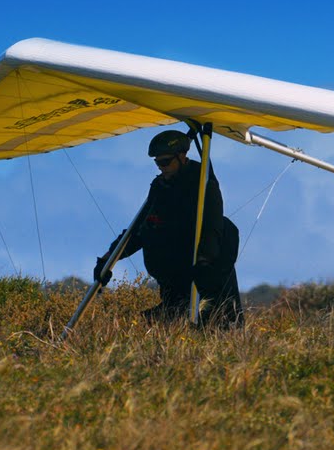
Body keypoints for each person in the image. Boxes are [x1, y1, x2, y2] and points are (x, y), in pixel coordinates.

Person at [94, 129, 244, 328]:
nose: (161, 168)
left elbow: (212, 226)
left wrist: (204, 262)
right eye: (157, 163)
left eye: (165, 162)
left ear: (182, 156)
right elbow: (139, 228)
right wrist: (107, 260)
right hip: (171, 270)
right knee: (170, 318)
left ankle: (215, 324)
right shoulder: (160, 186)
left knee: (227, 228)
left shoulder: (202, 182)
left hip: (199, 268)